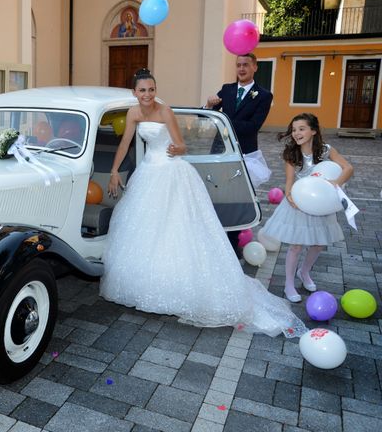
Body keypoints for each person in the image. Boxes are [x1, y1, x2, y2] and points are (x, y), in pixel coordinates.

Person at [101, 69, 306, 338]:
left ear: (155, 90)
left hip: (171, 173)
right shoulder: (133, 113)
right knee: (146, 229)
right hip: (148, 173)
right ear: (134, 93)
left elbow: (182, 145)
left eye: (151, 89)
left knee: (176, 229)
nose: (148, 95)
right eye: (142, 90)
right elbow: (125, 141)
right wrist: (115, 171)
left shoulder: (165, 112)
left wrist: (177, 149)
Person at [260, 113, 353, 302]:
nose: (296, 133)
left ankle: (304, 272)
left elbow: (348, 168)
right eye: (294, 130)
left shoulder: (327, 150)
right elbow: (289, 181)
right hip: (300, 202)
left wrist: (335, 183)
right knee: (296, 245)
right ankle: (288, 284)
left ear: (313, 130)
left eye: (301, 129)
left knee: (319, 243)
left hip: (321, 204)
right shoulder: (291, 153)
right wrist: (291, 197)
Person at [205, 53, 273, 257]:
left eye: (245, 65)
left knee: (237, 199)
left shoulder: (263, 95)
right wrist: (209, 105)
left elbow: (253, 127)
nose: (241, 69)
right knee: (216, 195)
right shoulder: (227, 89)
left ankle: (232, 247)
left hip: (244, 154)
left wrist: (224, 119)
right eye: (238, 65)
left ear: (254, 67)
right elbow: (208, 115)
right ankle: (215, 239)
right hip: (219, 152)